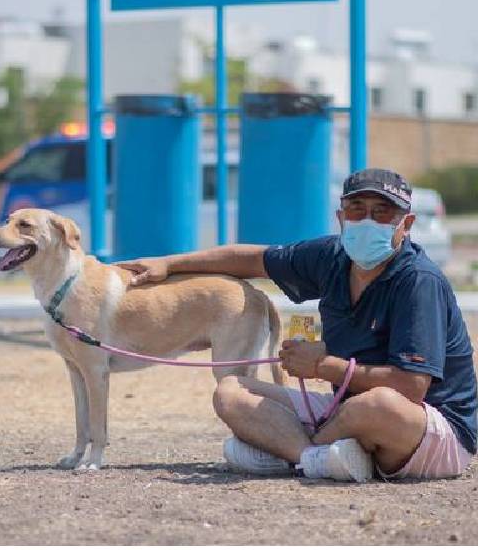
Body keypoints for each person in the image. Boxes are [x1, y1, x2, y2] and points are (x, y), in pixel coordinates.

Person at [119, 168, 476, 482]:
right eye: (357, 209)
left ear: (406, 225)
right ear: (341, 217)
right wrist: (170, 264)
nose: (367, 221)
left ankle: (295, 455)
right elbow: (253, 260)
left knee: (377, 404)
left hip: (426, 426)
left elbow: (411, 387)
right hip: (346, 411)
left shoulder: (418, 281)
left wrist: (322, 366)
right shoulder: (331, 258)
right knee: (231, 391)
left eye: (382, 212)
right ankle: (318, 459)